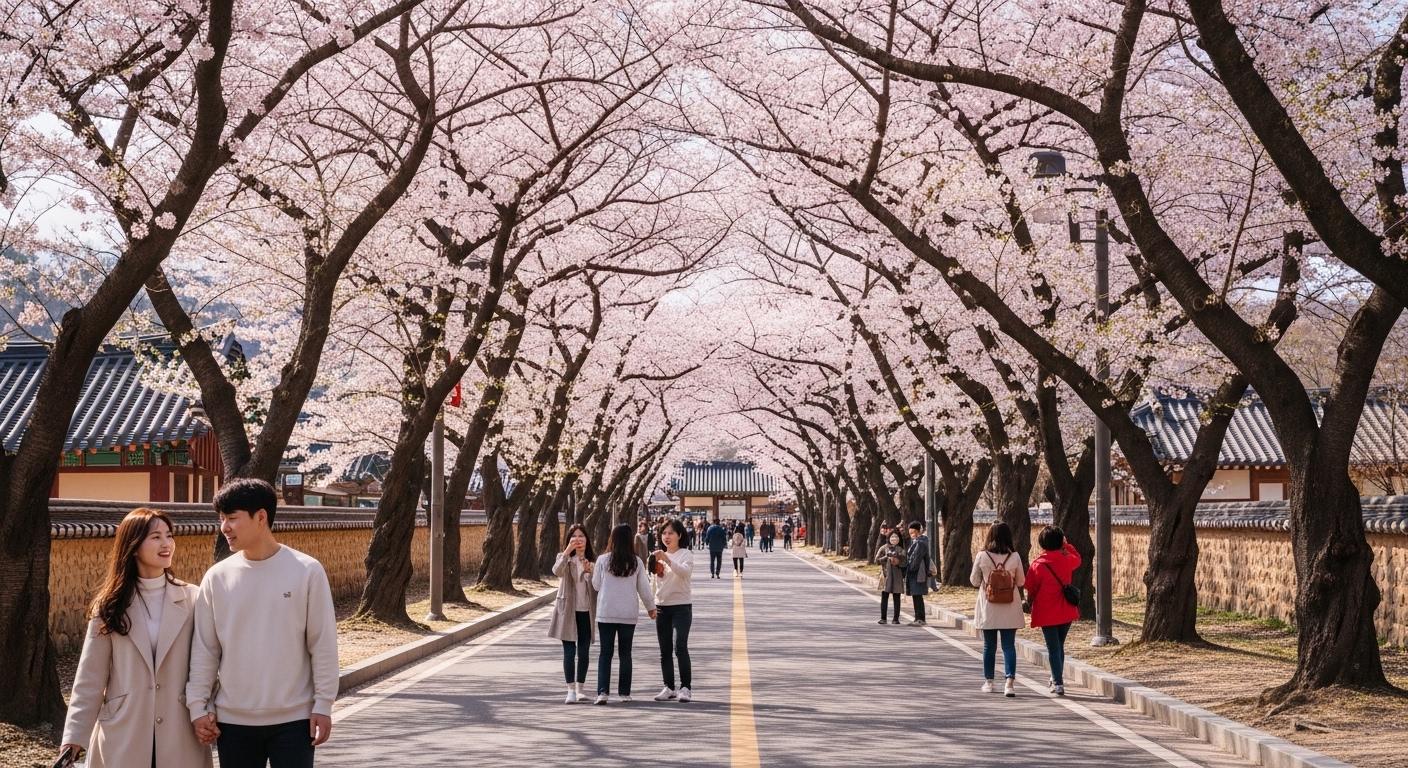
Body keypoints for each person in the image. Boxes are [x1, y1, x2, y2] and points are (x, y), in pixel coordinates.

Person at [187, 478, 339, 767]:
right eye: (221, 519)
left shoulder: (306, 571)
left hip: (295, 720)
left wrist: (323, 704)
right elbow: (206, 649)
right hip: (232, 721)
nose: (225, 528)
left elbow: (322, 643)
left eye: (232, 518)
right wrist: (198, 706)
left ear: (261, 517)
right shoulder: (217, 578)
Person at [60, 508, 212, 768]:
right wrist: (74, 738)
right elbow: (90, 678)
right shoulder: (110, 606)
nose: (166, 544)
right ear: (133, 547)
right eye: (155, 537)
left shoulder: (193, 599)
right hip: (123, 730)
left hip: (180, 729)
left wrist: (207, 710)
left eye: (169, 535)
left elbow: (207, 662)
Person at [591, 524, 657, 704]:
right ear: (629, 541)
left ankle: (602, 692)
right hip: (628, 613)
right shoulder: (636, 562)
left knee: (605, 653)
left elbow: (596, 585)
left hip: (606, 612)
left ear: (612, 539)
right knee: (625, 653)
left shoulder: (602, 560)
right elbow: (644, 589)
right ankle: (624, 693)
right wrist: (651, 608)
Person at [970, 521, 1026, 698]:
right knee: (1009, 646)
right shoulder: (1015, 557)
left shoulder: (982, 556)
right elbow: (1021, 582)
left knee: (989, 645)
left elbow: (974, 581)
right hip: (1010, 605)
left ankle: (989, 681)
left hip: (989, 605)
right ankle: (1009, 683)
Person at [1026, 525, 1082, 696]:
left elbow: (1030, 587)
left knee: (1053, 648)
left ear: (1042, 543)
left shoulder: (1037, 564)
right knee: (1059, 646)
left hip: (1046, 611)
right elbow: (1078, 559)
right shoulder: (1066, 560)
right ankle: (1055, 677)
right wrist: (1066, 545)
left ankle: (1057, 682)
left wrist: (1030, 601)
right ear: (1060, 542)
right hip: (1065, 610)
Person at [549, 524, 598, 704]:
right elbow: (556, 571)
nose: (578, 539)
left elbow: (598, 586)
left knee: (584, 652)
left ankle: (580, 689)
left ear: (587, 539)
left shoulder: (593, 561)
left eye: (581, 536)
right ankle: (570, 690)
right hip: (567, 610)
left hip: (586, 611)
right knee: (569, 651)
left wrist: (589, 572)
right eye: (574, 536)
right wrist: (567, 551)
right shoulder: (564, 559)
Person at [651, 519, 694, 703]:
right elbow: (654, 582)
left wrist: (667, 559)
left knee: (680, 647)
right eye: (664, 533)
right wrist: (651, 604)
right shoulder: (656, 556)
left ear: (680, 535)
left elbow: (684, 572)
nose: (666, 537)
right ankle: (669, 686)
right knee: (665, 649)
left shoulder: (686, 554)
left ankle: (685, 687)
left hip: (682, 606)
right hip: (662, 607)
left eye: (670, 533)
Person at [903, 521, 933, 626]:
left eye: (913, 532)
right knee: (916, 596)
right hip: (916, 573)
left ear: (918, 531)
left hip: (918, 573)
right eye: (910, 532)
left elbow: (916, 559)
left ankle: (920, 618)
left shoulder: (920, 542)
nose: (911, 534)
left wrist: (909, 568)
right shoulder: (917, 541)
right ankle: (918, 618)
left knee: (918, 595)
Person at [875, 530, 906, 625]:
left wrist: (898, 559)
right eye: (892, 537)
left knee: (897, 597)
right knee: (884, 597)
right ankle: (883, 618)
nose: (894, 539)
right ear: (888, 538)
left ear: (899, 539)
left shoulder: (901, 550)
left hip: (897, 576)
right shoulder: (884, 548)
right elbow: (876, 560)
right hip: (886, 576)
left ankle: (896, 619)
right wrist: (886, 557)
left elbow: (905, 563)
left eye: (896, 537)